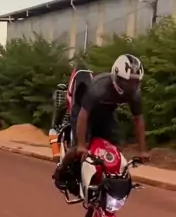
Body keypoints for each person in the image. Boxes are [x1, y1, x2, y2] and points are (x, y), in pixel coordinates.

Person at [53, 54, 149, 189]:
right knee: (80, 148)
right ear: (116, 76)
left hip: (106, 111)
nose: (130, 86)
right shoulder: (98, 88)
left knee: (116, 147)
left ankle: (110, 178)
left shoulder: (135, 94)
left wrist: (142, 150)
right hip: (83, 109)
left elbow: (138, 120)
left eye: (135, 82)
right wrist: (81, 145)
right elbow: (84, 115)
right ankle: (60, 171)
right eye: (126, 82)